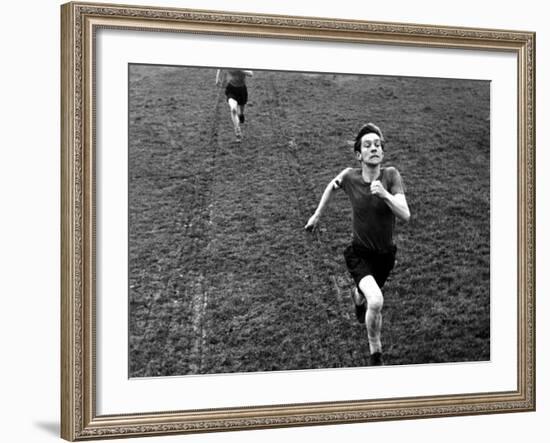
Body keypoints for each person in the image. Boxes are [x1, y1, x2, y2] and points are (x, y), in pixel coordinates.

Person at [304, 123, 410, 366]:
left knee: (366, 294)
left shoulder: (391, 176)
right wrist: (317, 216)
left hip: (385, 256)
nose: (374, 148)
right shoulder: (350, 176)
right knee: (377, 300)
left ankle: (357, 296)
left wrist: (385, 194)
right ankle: (376, 351)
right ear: (358, 155)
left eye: (377, 145)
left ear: (382, 152)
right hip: (359, 254)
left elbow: (405, 214)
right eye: (367, 145)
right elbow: (332, 186)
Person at [215, 69, 254, 141]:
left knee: (240, 112)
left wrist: (240, 70)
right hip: (231, 89)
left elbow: (251, 74)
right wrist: (217, 78)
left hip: (242, 90)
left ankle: (241, 114)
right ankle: (238, 132)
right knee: (233, 109)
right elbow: (219, 67)